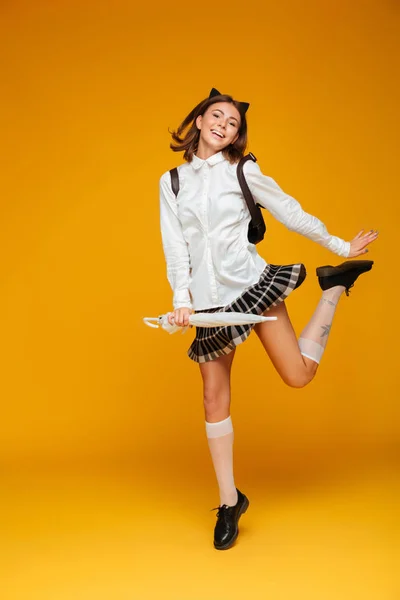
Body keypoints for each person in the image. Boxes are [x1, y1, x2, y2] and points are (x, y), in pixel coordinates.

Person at [159, 88, 378, 551]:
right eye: (216, 116)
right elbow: (175, 246)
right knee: (212, 398)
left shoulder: (243, 171)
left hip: (252, 287)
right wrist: (181, 299)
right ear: (198, 120)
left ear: (238, 134)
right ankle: (228, 501)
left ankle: (335, 286)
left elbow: (290, 212)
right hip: (206, 304)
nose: (223, 125)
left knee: (298, 377)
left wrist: (341, 247)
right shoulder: (172, 182)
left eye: (233, 123)